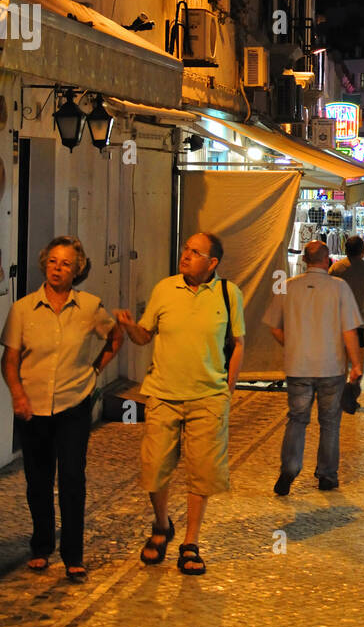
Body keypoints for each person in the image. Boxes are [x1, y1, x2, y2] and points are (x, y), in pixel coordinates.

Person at [114, 232, 245, 577]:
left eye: (195, 252)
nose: (185, 255)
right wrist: (130, 328)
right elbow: (145, 335)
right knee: (154, 468)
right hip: (163, 394)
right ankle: (161, 526)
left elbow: (237, 342)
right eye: (186, 248)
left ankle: (191, 542)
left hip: (208, 397)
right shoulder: (164, 289)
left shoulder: (229, 294)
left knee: (201, 473)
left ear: (212, 263)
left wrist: (227, 389)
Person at [1, 237, 123, 581]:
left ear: (78, 269)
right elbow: (9, 359)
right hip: (33, 407)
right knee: (37, 481)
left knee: (72, 478)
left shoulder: (90, 308)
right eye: (53, 261)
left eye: (66, 264)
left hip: (73, 404)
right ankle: (41, 546)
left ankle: (73, 554)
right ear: (45, 264)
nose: (58, 268)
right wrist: (17, 394)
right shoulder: (23, 309)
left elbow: (115, 338)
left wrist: (97, 368)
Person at [265, 241, 362, 494]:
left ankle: (290, 468)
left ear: (306, 260)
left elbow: (274, 327)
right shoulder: (339, 288)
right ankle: (327, 474)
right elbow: (349, 330)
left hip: (298, 366)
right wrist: (356, 365)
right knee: (329, 422)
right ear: (326, 259)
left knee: (297, 419)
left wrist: (293, 344)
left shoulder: (287, 287)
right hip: (331, 366)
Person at [331, 235, 364, 350]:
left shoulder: (335, 269)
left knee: (341, 356)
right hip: (362, 322)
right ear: (362, 251)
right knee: (360, 356)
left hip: (340, 321)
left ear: (346, 250)